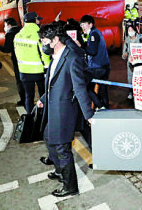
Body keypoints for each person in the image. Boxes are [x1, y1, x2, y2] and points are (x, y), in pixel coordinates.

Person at [37, 23, 94, 197]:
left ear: (55, 40)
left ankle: (70, 186)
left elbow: (79, 88)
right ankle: (60, 171)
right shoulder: (54, 57)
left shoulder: (71, 59)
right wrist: (42, 99)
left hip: (63, 111)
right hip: (52, 107)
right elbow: (52, 83)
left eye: (44, 40)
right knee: (48, 137)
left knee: (62, 148)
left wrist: (89, 115)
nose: (42, 44)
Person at [14, 12, 50, 113]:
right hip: (38, 71)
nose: (39, 21)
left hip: (24, 71)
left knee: (29, 96)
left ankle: (29, 117)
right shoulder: (39, 34)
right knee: (43, 95)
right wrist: (47, 68)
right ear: (34, 20)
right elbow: (44, 53)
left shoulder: (18, 35)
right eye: (38, 19)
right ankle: (43, 116)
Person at [80, 15, 111, 108]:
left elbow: (92, 51)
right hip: (105, 66)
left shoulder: (93, 34)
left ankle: (100, 105)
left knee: (86, 86)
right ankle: (106, 110)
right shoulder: (97, 32)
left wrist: (81, 47)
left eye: (84, 24)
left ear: (90, 24)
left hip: (97, 67)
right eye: (81, 25)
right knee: (102, 89)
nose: (82, 27)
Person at [0, 17, 24, 106]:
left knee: (19, 80)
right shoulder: (22, 30)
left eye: (5, 26)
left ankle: (23, 99)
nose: (4, 28)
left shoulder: (10, 34)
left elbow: (7, 49)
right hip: (28, 58)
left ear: (9, 25)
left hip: (17, 60)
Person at [122, 25, 142, 99]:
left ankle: (139, 93)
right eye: (129, 30)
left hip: (139, 62)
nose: (130, 32)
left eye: (132, 30)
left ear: (135, 30)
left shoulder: (141, 39)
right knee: (130, 78)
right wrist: (124, 55)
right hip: (130, 63)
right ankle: (131, 92)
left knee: (139, 78)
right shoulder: (127, 41)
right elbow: (123, 54)